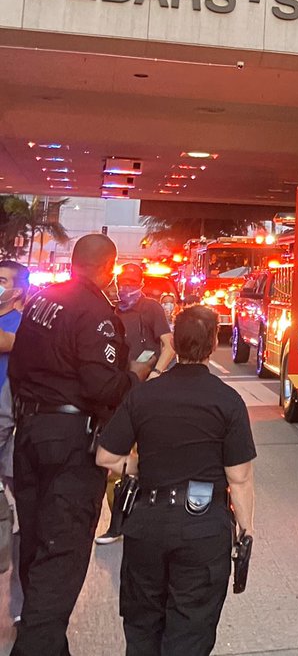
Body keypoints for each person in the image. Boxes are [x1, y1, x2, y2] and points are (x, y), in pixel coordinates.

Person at [8, 234, 150, 656]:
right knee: (63, 551)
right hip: (71, 442)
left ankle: (47, 642)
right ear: (108, 268)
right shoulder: (94, 312)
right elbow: (102, 384)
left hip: (29, 432)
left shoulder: (40, 302)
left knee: (36, 543)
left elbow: (19, 364)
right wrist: (136, 377)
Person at [96, 304, 255, 656]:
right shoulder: (228, 401)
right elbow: (239, 478)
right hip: (203, 528)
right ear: (214, 344)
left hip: (147, 523)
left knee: (143, 624)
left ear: (176, 344)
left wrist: (141, 464)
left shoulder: (143, 395)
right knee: (191, 629)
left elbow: (105, 457)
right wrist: (245, 531)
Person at [96, 263, 176, 545]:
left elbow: (169, 345)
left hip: (148, 394)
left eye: (132, 281)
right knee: (113, 464)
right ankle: (117, 523)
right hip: (121, 393)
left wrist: (155, 374)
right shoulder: (112, 310)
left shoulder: (151, 308)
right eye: (123, 281)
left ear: (140, 282)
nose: (126, 287)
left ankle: (151, 519)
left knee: (152, 454)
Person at [0, 261, 26, 622]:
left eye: (1, 280)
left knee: (20, 524)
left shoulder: (23, 328)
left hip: (11, 438)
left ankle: (19, 606)